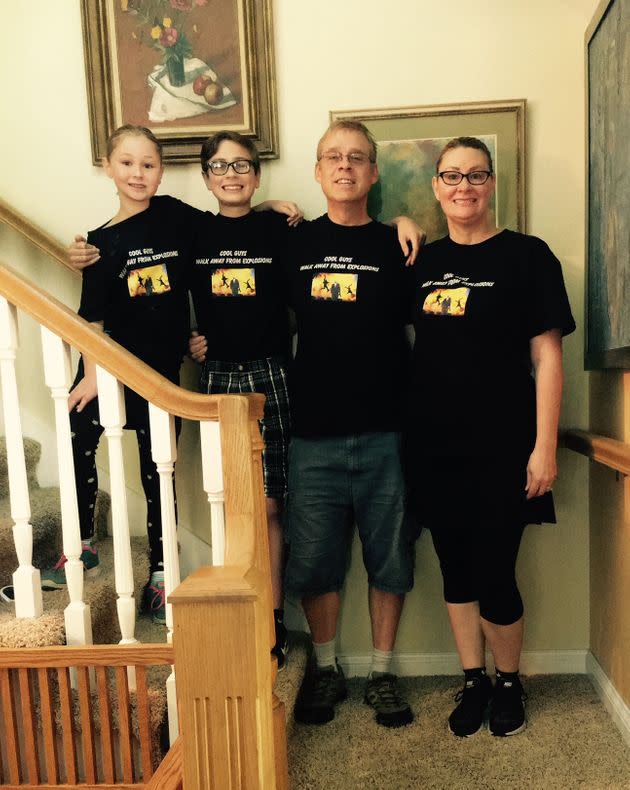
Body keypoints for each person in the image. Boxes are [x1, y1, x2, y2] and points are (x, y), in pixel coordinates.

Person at [405, 136, 575, 737]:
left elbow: (547, 359)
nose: (463, 187)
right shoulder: (419, 263)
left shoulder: (528, 258)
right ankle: (472, 680)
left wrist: (545, 446)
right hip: (434, 444)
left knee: (497, 571)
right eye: (451, 176)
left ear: (493, 183)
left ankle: (509, 682)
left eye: (476, 175)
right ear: (436, 187)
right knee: (454, 569)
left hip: (506, 446)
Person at [285, 120, 416, 729]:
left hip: (389, 431)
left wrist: (408, 224)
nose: (345, 167)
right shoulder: (293, 242)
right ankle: (329, 667)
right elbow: (224, 226)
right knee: (315, 563)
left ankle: (383, 673)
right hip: (311, 434)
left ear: (373, 172)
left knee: (390, 558)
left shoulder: (400, 245)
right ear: (317, 171)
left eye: (357, 158)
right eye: (332, 158)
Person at [43, 124, 202, 625]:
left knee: (159, 471)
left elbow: (225, 234)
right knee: (76, 430)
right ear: (109, 167)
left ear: (160, 171)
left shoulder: (174, 216)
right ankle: (83, 543)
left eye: (148, 164)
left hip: (161, 376)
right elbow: (93, 320)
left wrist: (267, 209)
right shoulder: (97, 244)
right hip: (108, 367)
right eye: (127, 163)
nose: (138, 173)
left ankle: (161, 573)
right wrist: (91, 375)